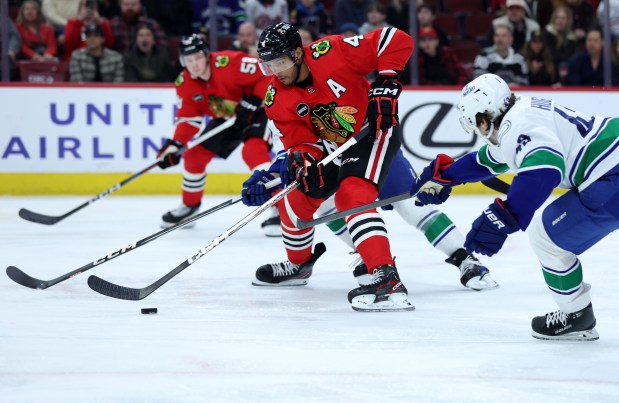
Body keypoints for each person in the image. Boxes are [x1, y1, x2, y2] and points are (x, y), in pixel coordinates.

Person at [410, 72, 619, 341]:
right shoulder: (521, 111)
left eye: (475, 124)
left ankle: (576, 313)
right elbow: (490, 160)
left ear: (484, 120)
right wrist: (446, 176)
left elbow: (545, 170)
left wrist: (505, 216)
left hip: (610, 178)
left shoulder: (517, 126)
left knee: (546, 238)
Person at [252, 22, 414, 311]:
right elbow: (300, 142)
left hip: (372, 130)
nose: (276, 71)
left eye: (280, 62)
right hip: (332, 147)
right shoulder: (275, 99)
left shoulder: (332, 52)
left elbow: (395, 38)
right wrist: (304, 159)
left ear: (297, 54)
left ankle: (386, 279)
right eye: (269, 65)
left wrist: (387, 82)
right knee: (295, 195)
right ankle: (299, 266)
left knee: (352, 195)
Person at [156, 34, 274, 231]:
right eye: (189, 60)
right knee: (194, 155)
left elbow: (268, 73)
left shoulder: (230, 63)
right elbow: (189, 118)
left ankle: (280, 208)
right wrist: (175, 145)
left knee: (253, 152)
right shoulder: (184, 82)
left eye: (198, 57)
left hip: (260, 110)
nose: (194, 64)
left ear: (206, 55)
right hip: (229, 118)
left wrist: (255, 98)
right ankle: (190, 206)